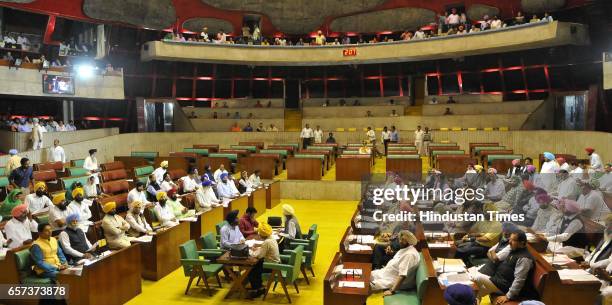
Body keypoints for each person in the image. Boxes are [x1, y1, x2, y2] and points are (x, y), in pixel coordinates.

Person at [469, 231, 536, 303]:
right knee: (478, 292)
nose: (509, 242)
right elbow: (494, 255)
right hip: (498, 281)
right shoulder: (513, 249)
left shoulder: (524, 259)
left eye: (513, 240)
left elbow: (519, 279)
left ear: (522, 243)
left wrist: (508, 296)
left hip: (504, 287)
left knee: (477, 277)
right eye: (510, 239)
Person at [247, 223, 280, 298]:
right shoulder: (271, 238)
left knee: (251, 271)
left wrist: (250, 251)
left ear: (262, 235)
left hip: (270, 266)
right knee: (256, 267)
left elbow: (259, 256)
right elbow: (265, 250)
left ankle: (257, 289)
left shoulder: (266, 242)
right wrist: (259, 248)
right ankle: (259, 286)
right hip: (275, 263)